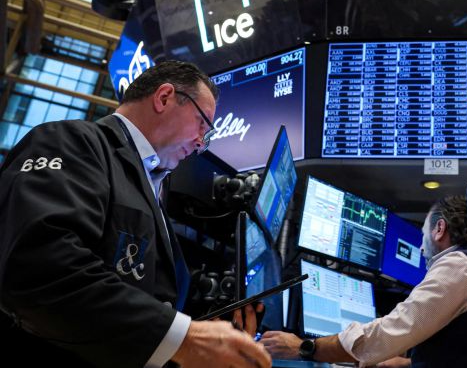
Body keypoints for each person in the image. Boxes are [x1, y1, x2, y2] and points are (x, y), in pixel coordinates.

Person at [0, 61, 272, 368]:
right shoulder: (70, 141)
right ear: (164, 97)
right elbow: (37, 267)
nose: (200, 143)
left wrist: (216, 328)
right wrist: (182, 337)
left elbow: (145, 292)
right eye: (202, 124)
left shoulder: (153, 186)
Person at [260, 195, 467, 367]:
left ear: (440, 229)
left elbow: (385, 335)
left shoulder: (459, 266)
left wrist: (303, 347)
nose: (421, 248)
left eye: (423, 235)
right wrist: (406, 364)